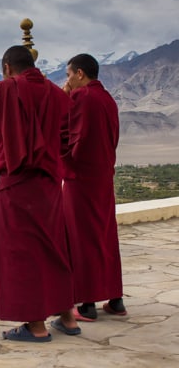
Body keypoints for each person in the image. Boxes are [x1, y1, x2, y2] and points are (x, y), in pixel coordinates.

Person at [0, 45, 79, 342]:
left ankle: (36, 326)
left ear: (7, 67)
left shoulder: (7, 89)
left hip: (17, 184)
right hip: (48, 185)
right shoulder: (55, 92)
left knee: (23, 253)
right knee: (53, 248)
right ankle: (68, 318)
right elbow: (65, 133)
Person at [61, 53, 126, 321]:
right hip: (103, 178)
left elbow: (66, 131)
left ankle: (87, 304)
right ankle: (115, 300)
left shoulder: (81, 97)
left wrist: (64, 95)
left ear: (79, 73)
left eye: (68, 75)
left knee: (80, 239)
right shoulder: (108, 99)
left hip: (80, 180)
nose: (67, 81)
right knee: (105, 237)